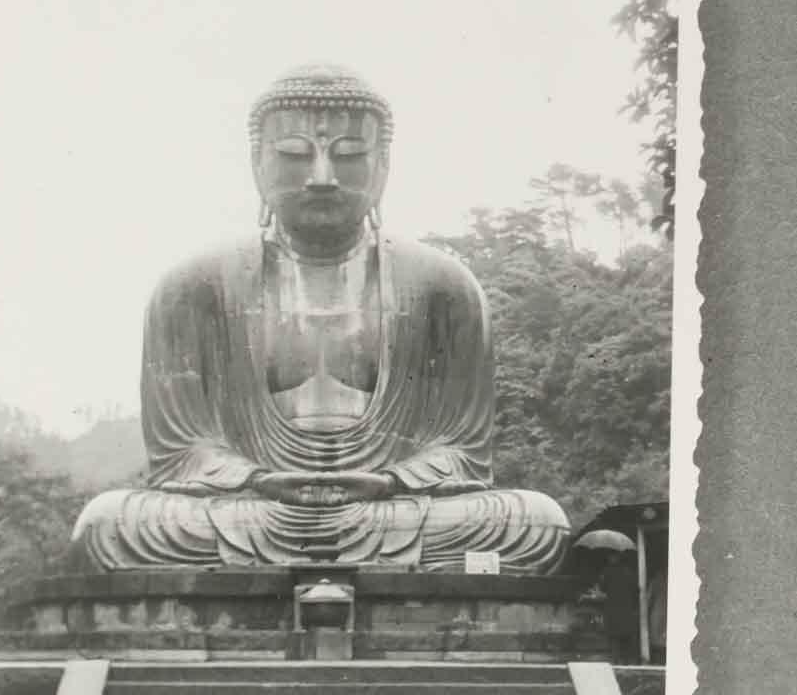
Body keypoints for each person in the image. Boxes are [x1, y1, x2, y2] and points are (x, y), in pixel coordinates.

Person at [70, 64, 569, 573]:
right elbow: (182, 452)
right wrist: (254, 480)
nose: (322, 177)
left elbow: (460, 450)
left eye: (350, 156)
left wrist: (395, 481)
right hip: (250, 509)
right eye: (293, 154)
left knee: (535, 521)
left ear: (383, 167)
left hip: (392, 510)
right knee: (108, 523)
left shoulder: (444, 287)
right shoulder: (194, 288)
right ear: (256, 164)